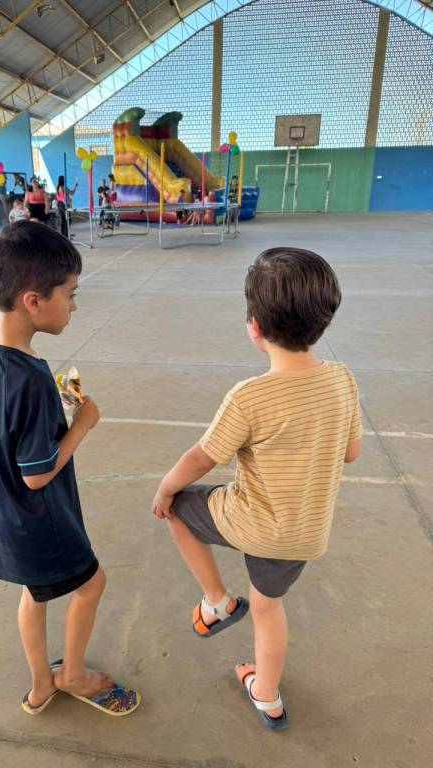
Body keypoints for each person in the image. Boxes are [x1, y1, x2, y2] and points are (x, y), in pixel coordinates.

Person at [151, 247, 362, 732]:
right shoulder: (343, 380)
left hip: (254, 522)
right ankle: (266, 696)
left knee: (179, 507)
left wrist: (165, 487)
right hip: (304, 534)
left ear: (255, 326)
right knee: (267, 608)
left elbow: (202, 457)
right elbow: (350, 453)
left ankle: (216, 601)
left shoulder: (250, 397)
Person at [0, 221, 140, 717]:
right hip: (39, 517)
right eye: (69, 294)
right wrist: (82, 422)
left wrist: (57, 408)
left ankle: (41, 683)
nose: (74, 305)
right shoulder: (30, 379)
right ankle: (74, 676)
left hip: (8, 515)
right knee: (92, 583)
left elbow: (12, 431)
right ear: (32, 301)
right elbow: (38, 472)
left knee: (35, 592)